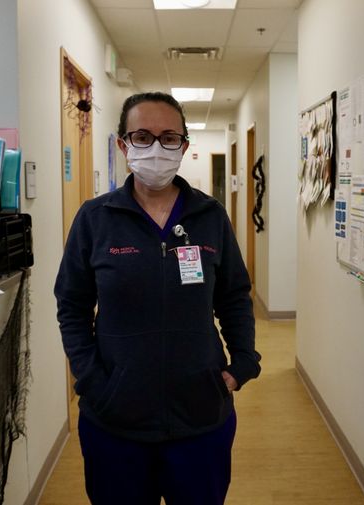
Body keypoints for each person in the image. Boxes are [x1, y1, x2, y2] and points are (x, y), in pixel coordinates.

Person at [54, 91, 261, 505]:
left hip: (201, 418)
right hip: (116, 423)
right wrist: (93, 380)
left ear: (184, 146)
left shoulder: (210, 216)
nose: (155, 148)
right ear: (122, 144)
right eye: (142, 136)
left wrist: (241, 363)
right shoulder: (96, 219)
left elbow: (235, 295)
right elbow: (72, 305)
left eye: (169, 138)